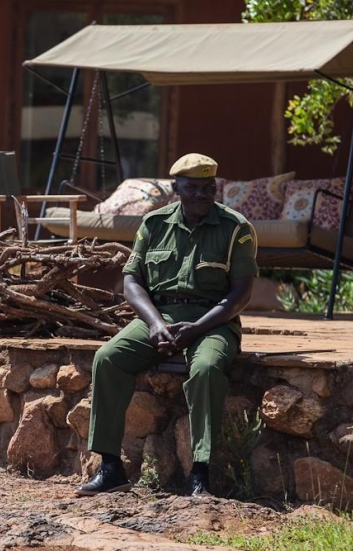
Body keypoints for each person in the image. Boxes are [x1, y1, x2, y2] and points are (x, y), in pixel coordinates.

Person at [75, 153, 258, 498]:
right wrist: (156, 324)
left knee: (204, 369)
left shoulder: (236, 228)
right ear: (177, 189)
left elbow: (241, 294)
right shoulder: (153, 224)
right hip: (161, 317)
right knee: (108, 358)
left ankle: (200, 473)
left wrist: (196, 328)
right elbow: (132, 281)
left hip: (214, 321)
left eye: (208, 187)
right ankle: (111, 467)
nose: (201, 194)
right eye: (192, 187)